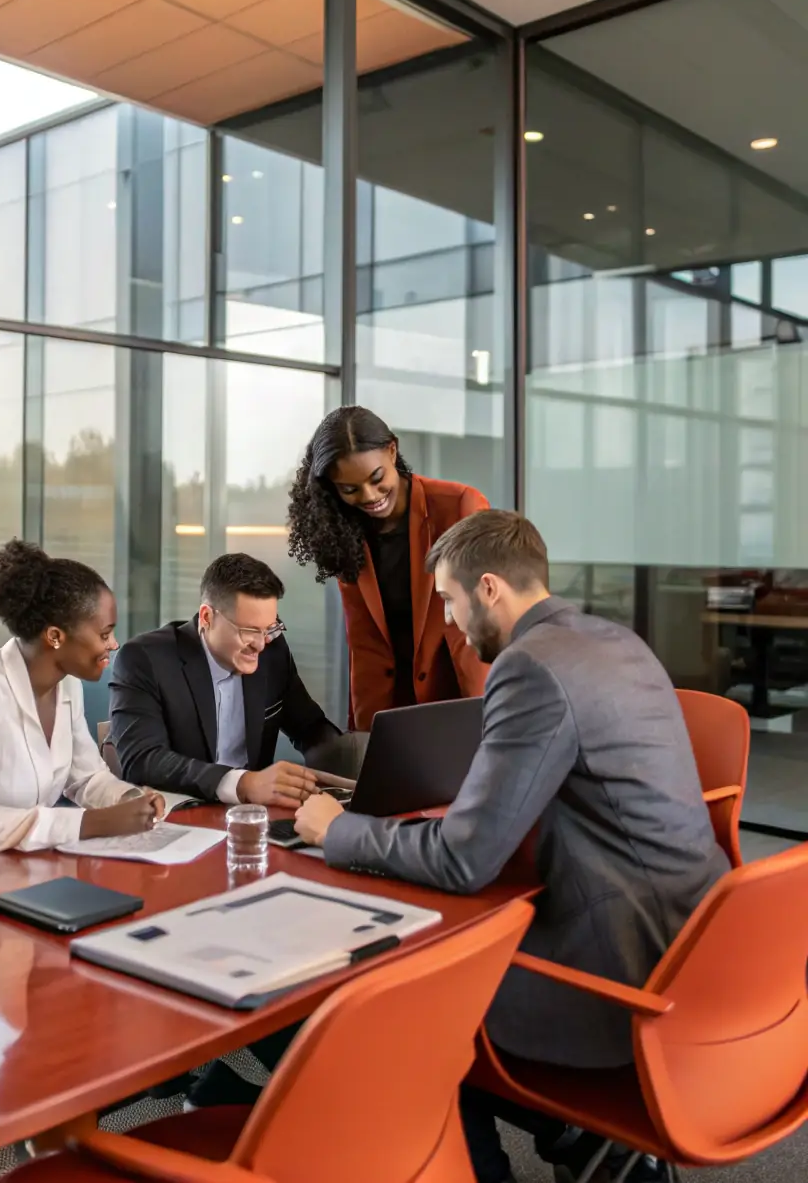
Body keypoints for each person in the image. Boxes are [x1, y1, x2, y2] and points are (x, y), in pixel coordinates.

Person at [295, 510, 730, 1183]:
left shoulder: (529, 666)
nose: (448, 622)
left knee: (413, 1018)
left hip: (619, 972)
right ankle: (583, 1144)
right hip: (696, 947)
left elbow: (462, 860)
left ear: (489, 587)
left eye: (447, 599)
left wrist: (336, 828)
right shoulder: (615, 640)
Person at [0, 541, 161, 863]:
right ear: (55, 636)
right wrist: (91, 823)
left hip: (14, 863)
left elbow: (86, 777)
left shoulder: (68, 687)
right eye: (104, 634)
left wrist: (132, 799)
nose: (113, 644)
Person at [287, 405, 489, 731]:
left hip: (459, 696)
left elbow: (485, 617)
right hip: (389, 706)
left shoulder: (459, 506)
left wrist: (487, 714)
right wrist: (362, 730)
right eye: (350, 489)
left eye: (377, 478)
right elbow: (363, 640)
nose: (370, 496)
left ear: (392, 451)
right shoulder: (343, 530)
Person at [108, 553, 341, 806]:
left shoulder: (272, 650)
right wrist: (241, 783)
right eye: (249, 631)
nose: (260, 644)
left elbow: (309, 727)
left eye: (270, 628)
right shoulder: (145, 659)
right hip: (182, 814)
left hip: (254, 814)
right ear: (207, 617)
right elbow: (142, 760)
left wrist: (349, 771)